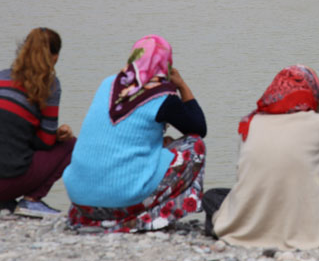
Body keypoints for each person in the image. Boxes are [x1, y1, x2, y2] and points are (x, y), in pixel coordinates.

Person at [62, 35, 207, 232]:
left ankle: (97, 218)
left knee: (158, 144)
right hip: (121, 203)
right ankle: (149, 217)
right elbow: (198, 128)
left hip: (81, 203)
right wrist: (182, 85)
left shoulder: (107, 84)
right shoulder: (163, 96)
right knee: (195, 145)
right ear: (167, 64)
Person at [202, 65, 319, 250]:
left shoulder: (250, 123)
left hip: (257, 212)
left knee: (211, 197)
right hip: (303, 217)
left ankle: (242, 228)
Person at [0, 28, 75, 217]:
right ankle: (31, 201)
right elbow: (45, 142)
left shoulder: (2, 77)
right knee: (70, 145)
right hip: (8, 181)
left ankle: (5, 202)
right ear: (55, 57)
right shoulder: (50, 86)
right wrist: (57, 135)